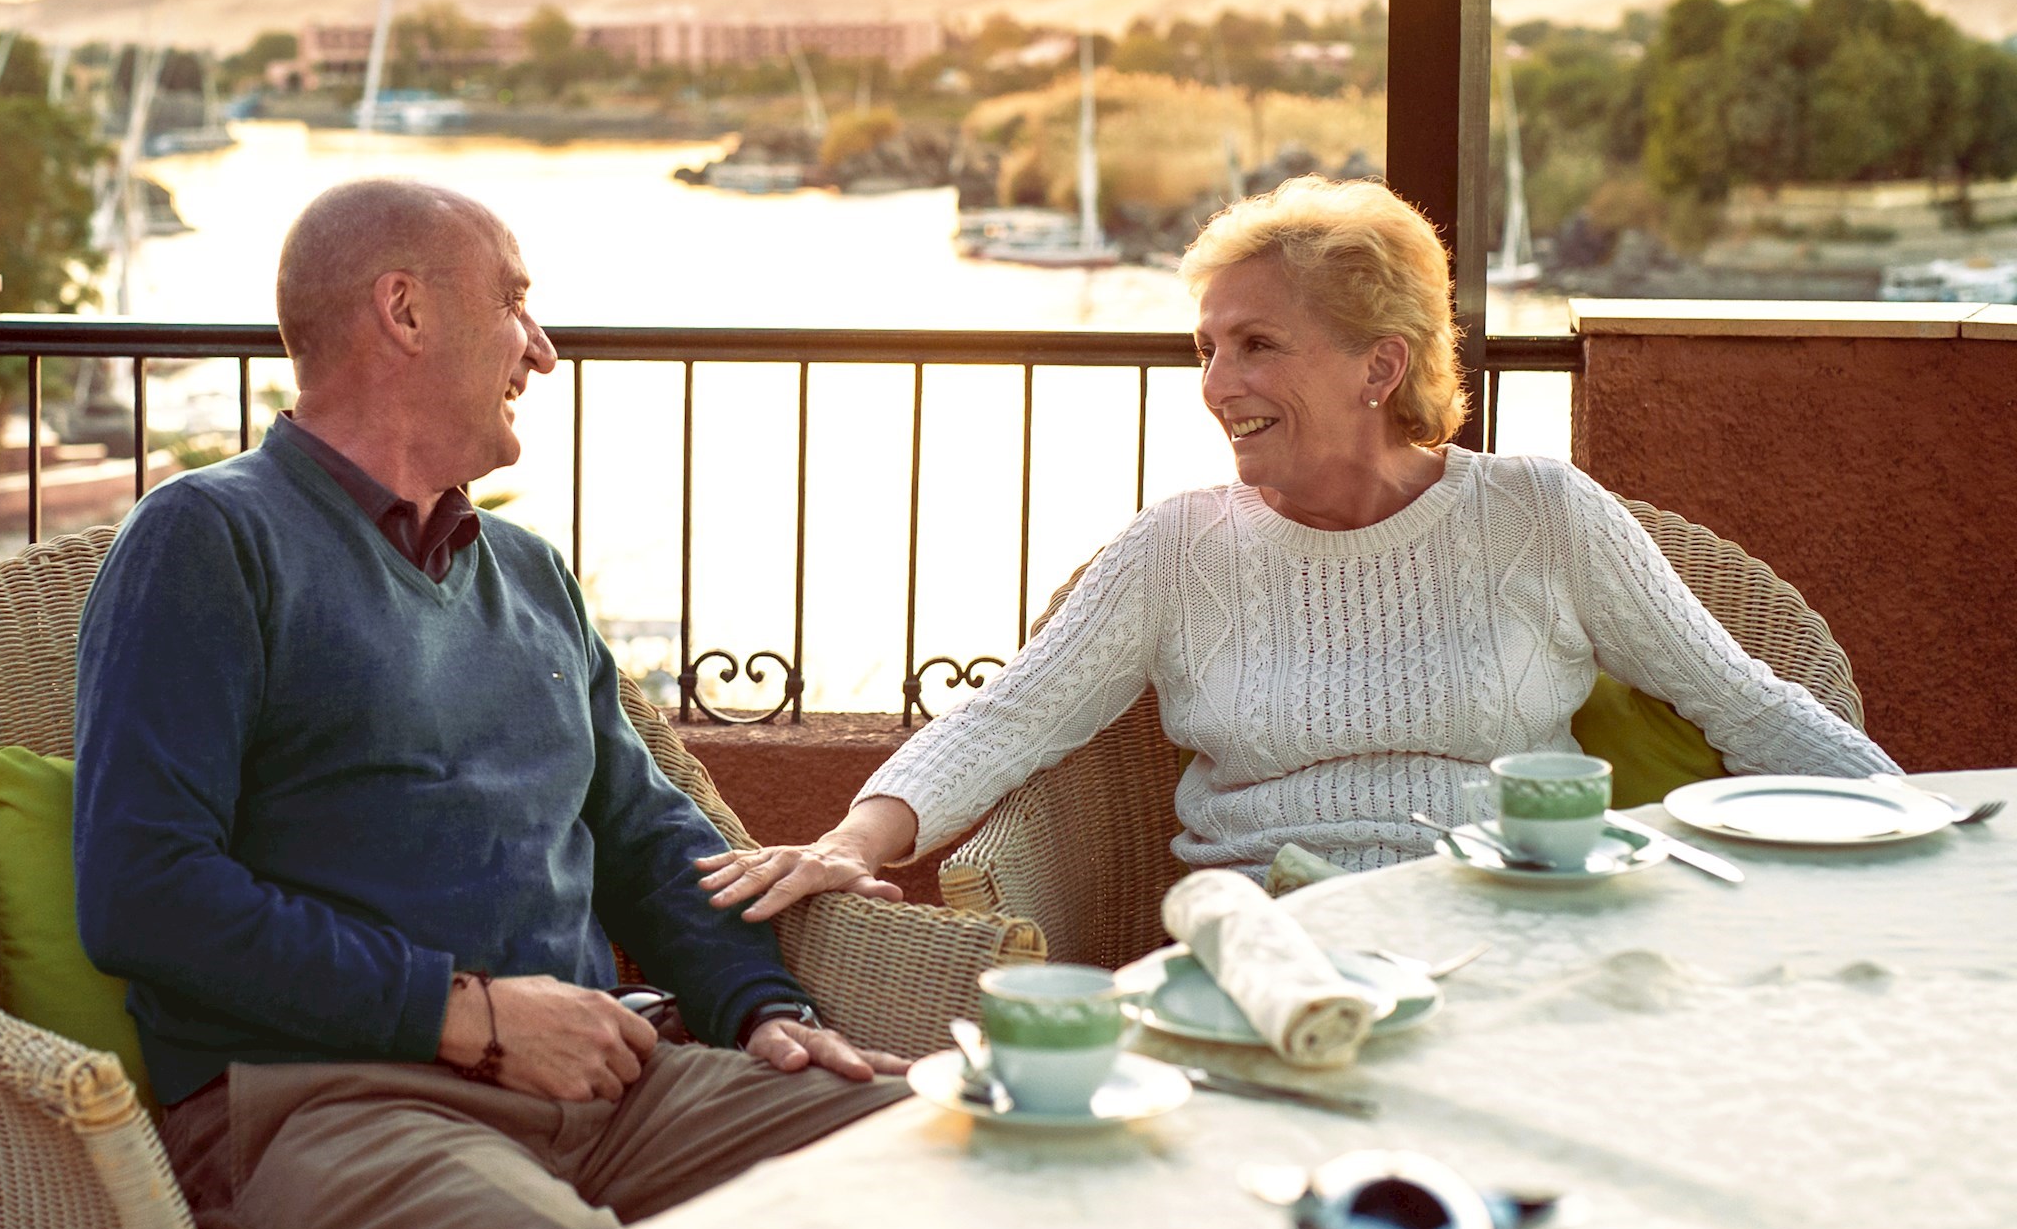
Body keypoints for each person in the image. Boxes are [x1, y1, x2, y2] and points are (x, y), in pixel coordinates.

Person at [73, 177, 904, 1229]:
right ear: (405, 312)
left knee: (937, 1154)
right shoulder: (208, 540)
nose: (543, 350)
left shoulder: (525, 574)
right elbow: (145, 893)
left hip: (611, 1082)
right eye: (515, 302)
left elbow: (646, 834)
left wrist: (763, 1011)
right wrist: (472, 1017)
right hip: (338, 1105)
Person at [695, 175, 1897, 915]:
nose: (1217, 384)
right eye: (1208, 348)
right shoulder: (1181, 549)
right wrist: (852, 838)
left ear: (1380, 365)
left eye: (1257, 345)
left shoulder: (1540, 513)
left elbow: (1740, 700)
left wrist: (1919, 829)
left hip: (1513, 922)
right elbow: (1008, 721)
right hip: (1272, 944)